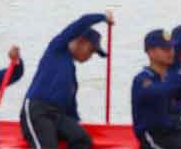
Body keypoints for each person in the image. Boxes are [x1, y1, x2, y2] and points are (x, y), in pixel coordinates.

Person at [20, 12, 113, 149]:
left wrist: (74, 125)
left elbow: (71, 110)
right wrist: (103, 18)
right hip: (37, 111)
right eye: (91, 50)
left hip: (57, 115)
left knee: (82, 139)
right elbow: (83, 21)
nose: (90, 56)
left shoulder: (71, 76)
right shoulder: (57, 48)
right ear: (80, 41)